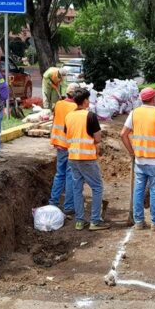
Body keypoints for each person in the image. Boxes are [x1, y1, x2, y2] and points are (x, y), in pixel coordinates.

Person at [120, 87, 155, 231]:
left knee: (138, 190)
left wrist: (132, 152)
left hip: (140, 160)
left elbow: (123, 134)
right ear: (154, 99)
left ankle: (139, 222)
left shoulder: (134, 113)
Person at [66, 88, 109, 231]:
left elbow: (68, 135)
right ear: (85, 101)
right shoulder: (90, 116)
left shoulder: (69, 116)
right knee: (97, 188)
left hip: (73, 157)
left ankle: (80, 221)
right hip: (87, 158)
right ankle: (95, 221)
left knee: (77, 188)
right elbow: (97, 138)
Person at [48, 82, 78, 216]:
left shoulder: (59, 104)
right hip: (71, 145)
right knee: (70, 175)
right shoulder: (76, 107)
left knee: (59, 174)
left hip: (59, 144)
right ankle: (69, 206)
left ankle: (53, 202)